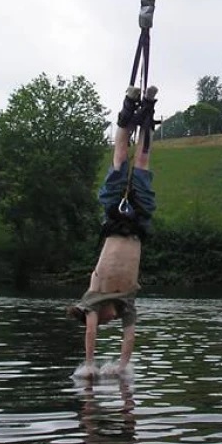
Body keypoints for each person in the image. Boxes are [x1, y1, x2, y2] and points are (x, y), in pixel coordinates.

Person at [68, 84, 158, 374]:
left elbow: (90, 333)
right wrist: (122, 367)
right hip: (138, 222)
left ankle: (128, 107)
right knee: (142, 161)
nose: (106, 321)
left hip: (113, 216)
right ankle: (147, 112)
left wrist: (90, 364)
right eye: (105, 321)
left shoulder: (93, 299)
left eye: (101, 321)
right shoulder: (126, 303)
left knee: (120, 156)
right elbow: (129, 336)